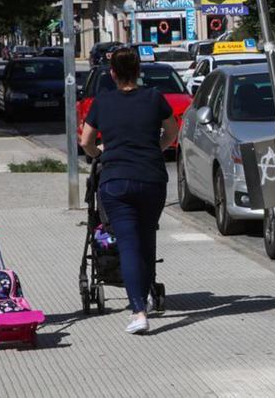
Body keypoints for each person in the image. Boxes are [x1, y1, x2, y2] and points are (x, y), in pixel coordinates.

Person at [79, 47, 178, 334]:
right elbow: (171, 134)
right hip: (152, 179)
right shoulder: (154, 98)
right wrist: (154, 149)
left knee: (129, 244)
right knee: (146, 239)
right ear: (138, 72)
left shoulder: (102, 102)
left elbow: (86, 140)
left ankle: (138, 311)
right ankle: (145, 292)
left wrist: (100, 151)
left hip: (116, 181)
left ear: (112, 74)